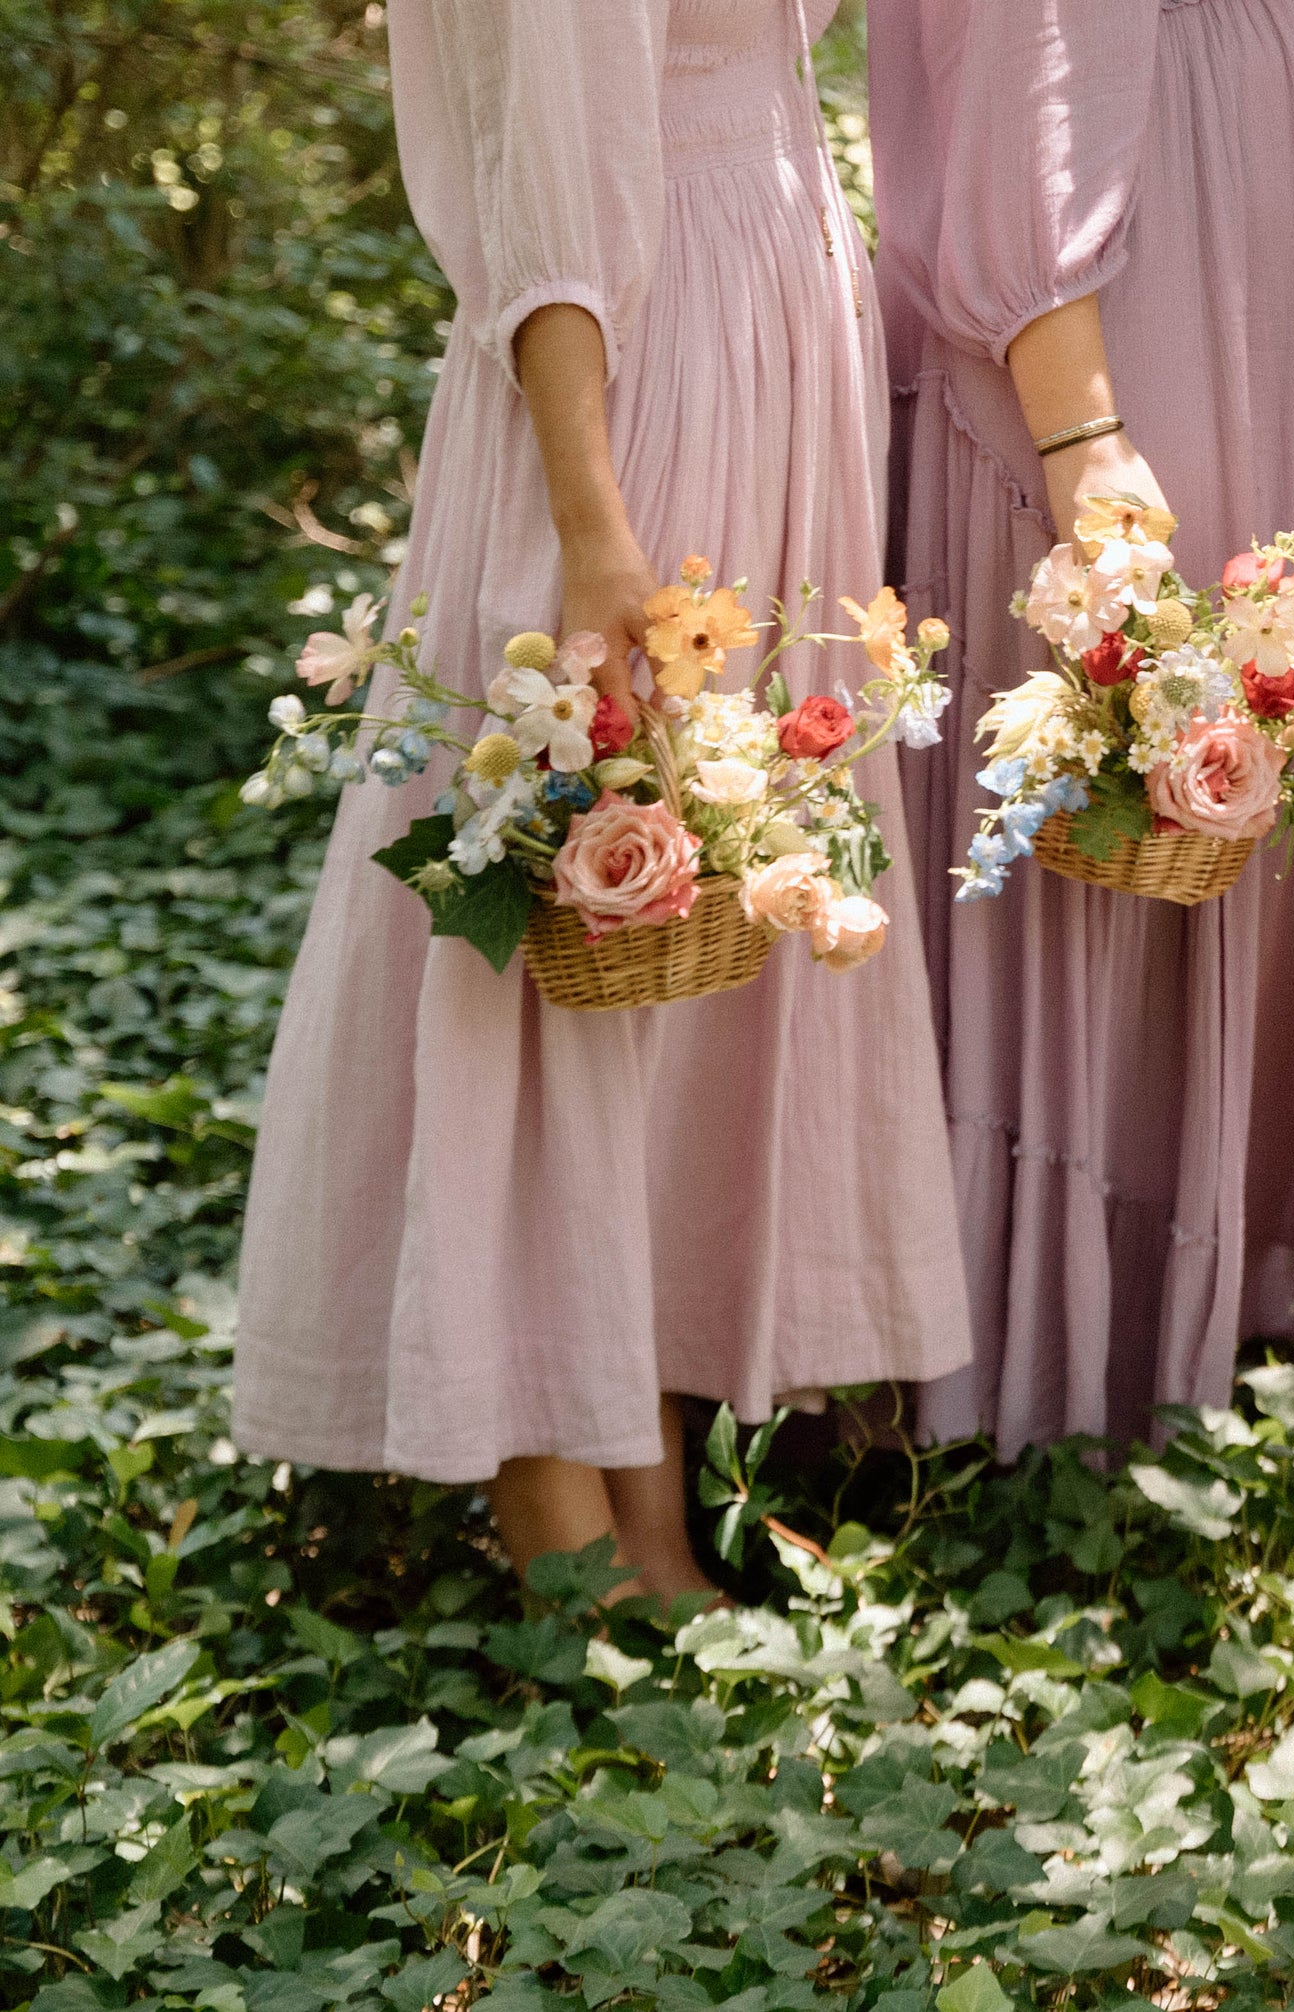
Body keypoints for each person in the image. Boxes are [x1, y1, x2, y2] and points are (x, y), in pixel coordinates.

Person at [235, 0, 971, 1601]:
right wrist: (588, 518)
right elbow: (548, 174)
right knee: (571, 898)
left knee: (691, 919)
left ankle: (635, 1455)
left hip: (763, 318)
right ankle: (548, 1494)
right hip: (636, 373)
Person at [873, 0, 1294, 1454]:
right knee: (1123, 767)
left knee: (1225, 759)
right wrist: (1080, 426)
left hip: (1249, 250)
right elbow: (1032, 57)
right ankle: (1037, 1338)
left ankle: (1185, 1283)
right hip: (1125, 282)